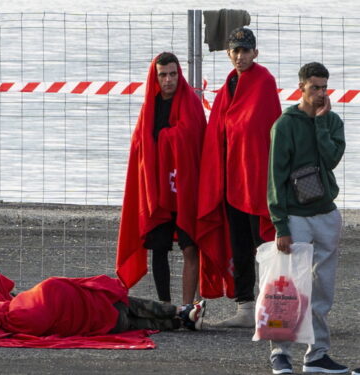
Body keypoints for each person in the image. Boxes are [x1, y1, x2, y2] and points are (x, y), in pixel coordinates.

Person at [196, 27, 282, 327]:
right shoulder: (228, 86)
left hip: (257, 181)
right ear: (228, 54)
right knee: (240, 245)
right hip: (231, 182)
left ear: (255, 53)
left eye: (246, 51)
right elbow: (218, 134)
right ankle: (246, 308)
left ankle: (273, 305)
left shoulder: (265, 83)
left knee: (266, 245)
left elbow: (267, 134)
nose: (241, 56)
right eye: (236, 51)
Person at [267, 62, 347, 375]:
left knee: (323, 288)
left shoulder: (332, 120)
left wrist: (321, 123)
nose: (320, 93)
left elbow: (331, 159)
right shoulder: (285, 124)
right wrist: (280, 225)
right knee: (288, 286)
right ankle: (280, 353)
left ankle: (317, 356)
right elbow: (275, 177)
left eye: (324, 87)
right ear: (301, 87)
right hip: (295, 215)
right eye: (314, 87)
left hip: (325, 212)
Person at [116, 52, 206, 305]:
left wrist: (165, 138)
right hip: (157, 190)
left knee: (190, 246)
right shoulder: (150, 107)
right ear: (155, 77)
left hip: (186, 187)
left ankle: (188, 305)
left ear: (180, 74)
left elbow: (194, 139)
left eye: (173, 74)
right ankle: (166, 306)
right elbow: (139, 147)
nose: (169, 80)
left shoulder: (191, 103)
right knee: (159, 248)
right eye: (163, 75)